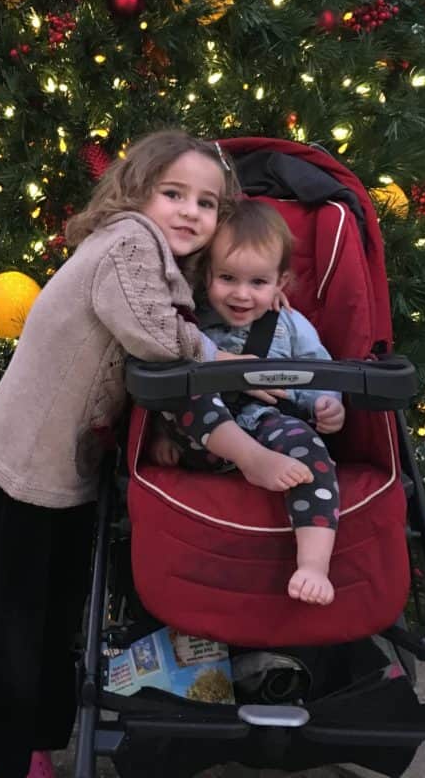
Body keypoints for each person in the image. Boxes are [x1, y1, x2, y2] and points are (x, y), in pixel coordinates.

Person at [0, 130, 241, 778]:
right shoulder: (127, 244)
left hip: (65, 463)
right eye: (174, 193)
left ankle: (40, 732)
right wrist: (224, 359)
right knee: (20, 613)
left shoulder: (157, 259)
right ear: (136, 188)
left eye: (207, 203)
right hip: (29, 461)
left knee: (58, 606)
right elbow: (151, 336)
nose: (189, 212)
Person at [148, 199, 345, 607]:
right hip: (201, 438)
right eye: (227, 278)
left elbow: (319, 370)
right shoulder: (191, 320)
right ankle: (250, 459)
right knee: (184, 383)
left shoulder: (290, 324)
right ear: (206, 276)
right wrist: (158, 434)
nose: (241, 294)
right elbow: (161, 368)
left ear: (280, 283)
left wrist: (326, 403)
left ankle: (312, 564)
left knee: (310, 450)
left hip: (268, 427)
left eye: (258, 283)